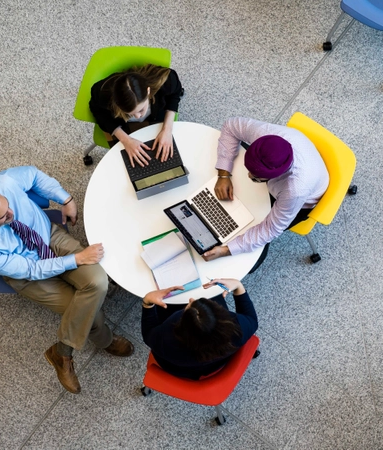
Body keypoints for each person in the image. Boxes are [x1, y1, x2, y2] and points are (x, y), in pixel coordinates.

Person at [0, 166, 134, 394]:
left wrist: (66, 198)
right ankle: (105, 341)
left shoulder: (3, 182)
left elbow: (34, 176)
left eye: (7, 204)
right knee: (91, 314)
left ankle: (62, 351)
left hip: (48, 236)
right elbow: (33, 269)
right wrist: (77, 259)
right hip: (28, 274)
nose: (11, 213)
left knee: (98, 281)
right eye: (2, 217)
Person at [204, 117, 330, 271]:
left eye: (255, 176)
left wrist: (226, 250)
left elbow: (271, 229)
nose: (249, 176)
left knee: (253, 240)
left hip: (303, 202)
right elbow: (230, 126)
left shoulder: (295, 190)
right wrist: (224, 174)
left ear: (275, 175)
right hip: (298, 171)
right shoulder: (264, 133)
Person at [140, 278, 258, 380]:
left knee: (166, 306)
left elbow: (148, 333)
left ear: (182, 328)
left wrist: (148, 302)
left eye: (188, 307)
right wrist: (238, 286)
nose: (191, 300)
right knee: (215, 294)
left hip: (180, 368)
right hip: (217, 362)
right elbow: (252, 319)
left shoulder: (165, 341)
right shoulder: (237, 330)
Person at [89, 64, 183, 168]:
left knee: (167, 160)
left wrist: (167, 129)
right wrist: (126, 140)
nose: (138, 116)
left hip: (156, 117)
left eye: (141, 109)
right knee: (129, 166)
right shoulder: (102, 92)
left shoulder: (167, 80)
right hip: (122, 125)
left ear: (148, 91)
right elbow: (97, 111)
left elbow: (175, 94)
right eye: (130, 113)